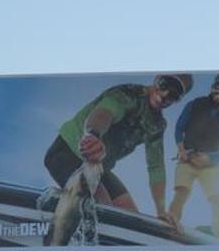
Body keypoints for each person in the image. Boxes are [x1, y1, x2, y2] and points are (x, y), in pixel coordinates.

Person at [44, 73, 193, 224]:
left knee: (134, 220)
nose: (165, 95)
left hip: (99, 169)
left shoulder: (157, 125)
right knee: (107, 211)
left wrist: (161, 211)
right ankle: (64, 203)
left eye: (173, 95)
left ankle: (76, 200)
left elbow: (156, 167)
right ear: (156, 79)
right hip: (67, 153)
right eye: (165, 84)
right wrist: (94, 135)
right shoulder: (127, 95)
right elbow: (105, 113)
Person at [169, 73, 219, 239]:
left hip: (210, 162)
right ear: (212, 87)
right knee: (181, 192)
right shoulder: (195, 104)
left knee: (216, 199)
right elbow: (179, 128)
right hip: (188, 157)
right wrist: (182, 150)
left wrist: (210, 159)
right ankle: (170, 224)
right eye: (217, 86)